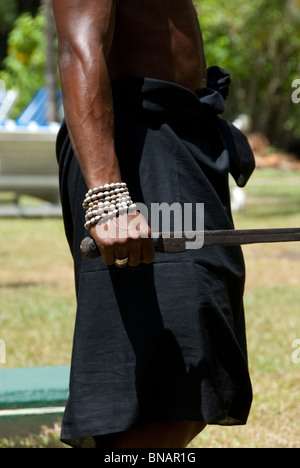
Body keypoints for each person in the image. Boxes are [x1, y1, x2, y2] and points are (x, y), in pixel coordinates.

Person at [52, 0, 255, 449]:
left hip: (182, 140)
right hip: (138, 149)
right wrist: (107, 193)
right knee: (155, 385)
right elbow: (78, 45)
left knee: (193, 365)